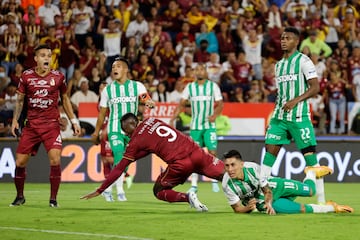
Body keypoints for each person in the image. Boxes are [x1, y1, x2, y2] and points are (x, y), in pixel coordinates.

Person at [81, 113, 225, 212]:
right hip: (196, 152)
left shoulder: (135, 141)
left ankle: (188, 197)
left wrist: (100, 189)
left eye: (126, 131)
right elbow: (151, 148)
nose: (127, 135)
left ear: (132, 124)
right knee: (226, 174)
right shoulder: (153, 120)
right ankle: (245, 192)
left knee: (159, 191)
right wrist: (132, 158)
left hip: (181, 164)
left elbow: (119, 169)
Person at [259, 27, 333, 205]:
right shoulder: (278, 65)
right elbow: (282, 93)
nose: (284, 40)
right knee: (270, 151)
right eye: (282, 38)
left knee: (311, 159)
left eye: (288, 38)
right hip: (279, 117)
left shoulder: (303, 61)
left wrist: (295, 101)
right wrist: (274, 114)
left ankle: (321, 200)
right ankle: (262, 192)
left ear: (296, 41)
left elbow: (315, 87)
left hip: (299, 117)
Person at [10, 44, 81, 207]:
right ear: (36, 59)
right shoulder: (26, 76)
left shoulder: (58, 77)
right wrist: (15, 120)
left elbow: (65, 99)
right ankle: (20, 196)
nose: (47, 58)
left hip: (51, 126)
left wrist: (74, 121)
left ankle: (53, 199)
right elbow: (20, 100)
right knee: (20, 162)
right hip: (31, 126)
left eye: (49, 56)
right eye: (43, 55)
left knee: (55, 160)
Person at [91, 57, 155, 201]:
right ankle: (118, 190)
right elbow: (102, 114)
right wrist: (96, 132)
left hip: (132, 131)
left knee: (126, 160)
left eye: (118, 66)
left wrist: (150, 102)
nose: (114, 69)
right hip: (115, 129)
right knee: (119, 155)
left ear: (126, 69)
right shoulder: (108, 90)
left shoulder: (137, 86)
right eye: (113, 67)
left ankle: (109, 188)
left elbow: (146, 98)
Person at [222, 150, 353, 214]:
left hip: (277, 187)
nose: (230, 169)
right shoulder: (227, 184)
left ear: (242, 164)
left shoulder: (253, 168)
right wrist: (248, 208)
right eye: (227, 166)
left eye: (233, 165)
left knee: (311, 191)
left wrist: (267, 201)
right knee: (301, 209)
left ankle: (311, 172)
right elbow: (237, 208)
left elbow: (266, 189)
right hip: (266, 204)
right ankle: (332, 207)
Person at [170, 63, 224, 193]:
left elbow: (220, 104)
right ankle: (194, 184)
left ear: (205, 72)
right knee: (194, 155)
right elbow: (181, 104)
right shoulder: (190, 88)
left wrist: (215, 115)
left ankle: (215, 180)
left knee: (212, 152)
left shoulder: (213, 86)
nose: (199, 72)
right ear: (194, 73)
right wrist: (173, 118)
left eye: (201, 69)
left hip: (209, 125)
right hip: (195, 127)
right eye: (197, 70)